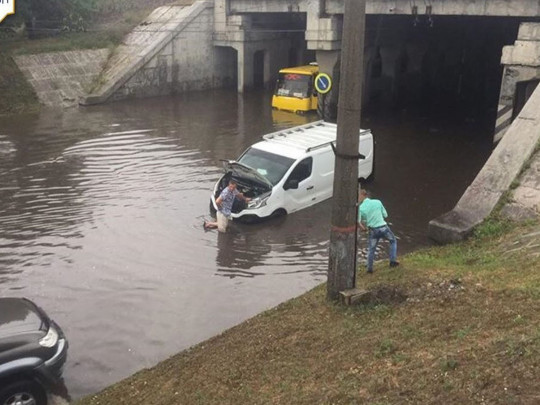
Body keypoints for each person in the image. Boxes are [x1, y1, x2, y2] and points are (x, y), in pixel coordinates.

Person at [357, 189, 399, 273]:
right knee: (393, 241)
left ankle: (369, 269)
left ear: (362, 196)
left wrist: (363, 228)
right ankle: (393, 261)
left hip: (373, 230)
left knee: (371, 249)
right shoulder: (377, 202)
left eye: (358, 196)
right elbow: (385, 215)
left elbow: (358, 221)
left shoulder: (360, 208)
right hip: (383, 227)